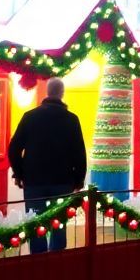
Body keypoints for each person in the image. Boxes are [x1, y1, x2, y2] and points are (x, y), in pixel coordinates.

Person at [8, 78, 86, 252]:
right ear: (62, 94)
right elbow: (79, 153)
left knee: (36, 223)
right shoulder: (72, 119)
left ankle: (38, 260)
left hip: (34, 181)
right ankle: (57, 259)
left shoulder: (30, 117)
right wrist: (78, 179)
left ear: (47, 93)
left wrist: (19, 173)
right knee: (59, 223)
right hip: (62, 181)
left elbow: (13, 149)